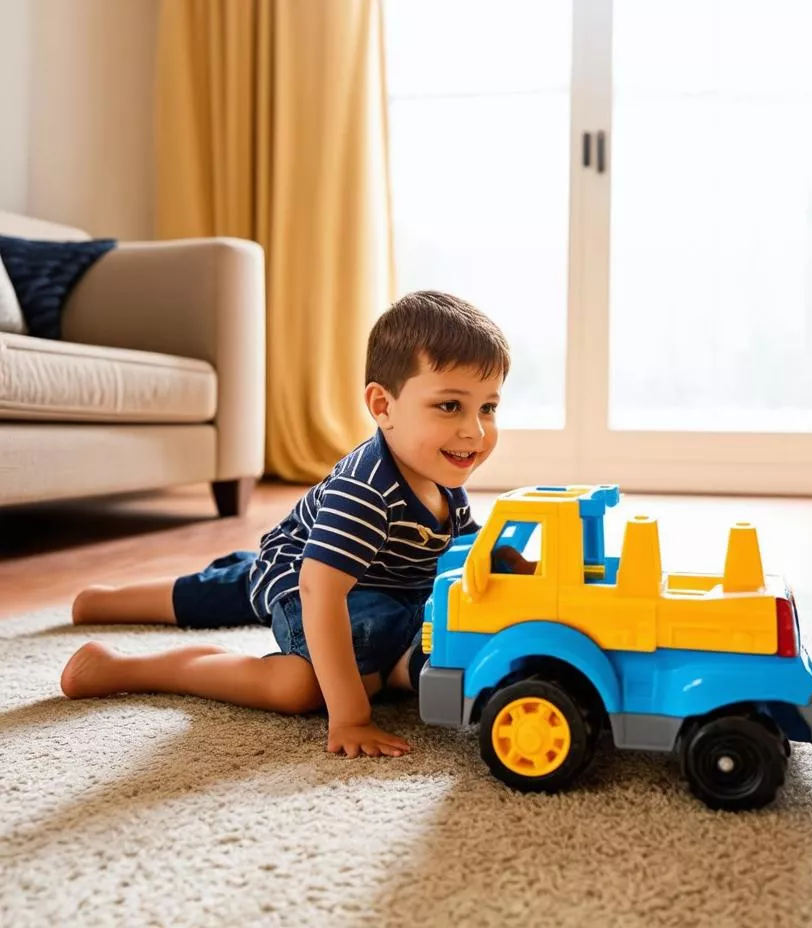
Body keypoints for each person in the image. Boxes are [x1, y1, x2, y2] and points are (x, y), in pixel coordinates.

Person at [60, 290, 516, 759]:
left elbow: (464, 555)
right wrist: (350, 716)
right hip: (304, 573)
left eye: (488, 408)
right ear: (383, 406)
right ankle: (123, 664)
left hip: (380, 587)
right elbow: (320, 591)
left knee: (395, 637)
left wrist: (512, 561)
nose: (475, 431)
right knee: (298, 683)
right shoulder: (365, 491)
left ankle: (110, 599)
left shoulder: (444, 480)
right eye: (450, 407)